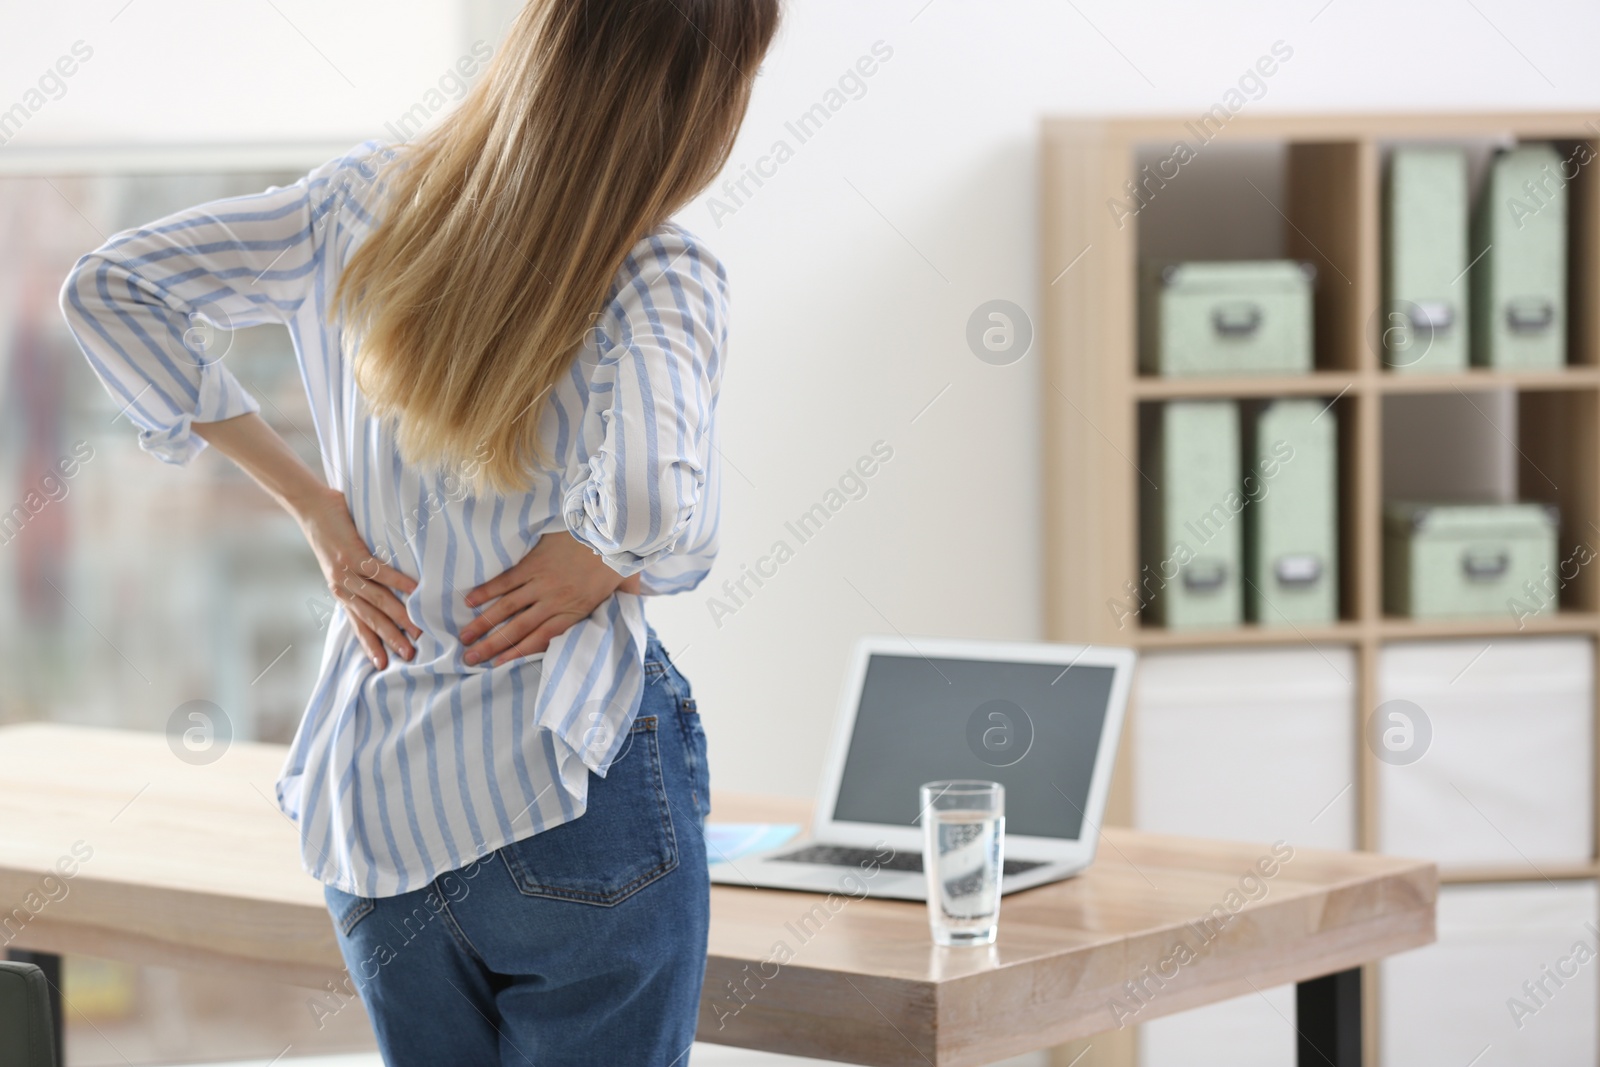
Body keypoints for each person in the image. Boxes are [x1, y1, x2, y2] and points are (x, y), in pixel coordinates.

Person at [58, 0, 782, 1062]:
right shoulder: (658, 271)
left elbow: (112, 287)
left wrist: (312, 501)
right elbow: (657, 503)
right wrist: (598, 555)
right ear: (694, 107)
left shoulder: (359, 200)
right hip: (565, 784)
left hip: (382, 804)